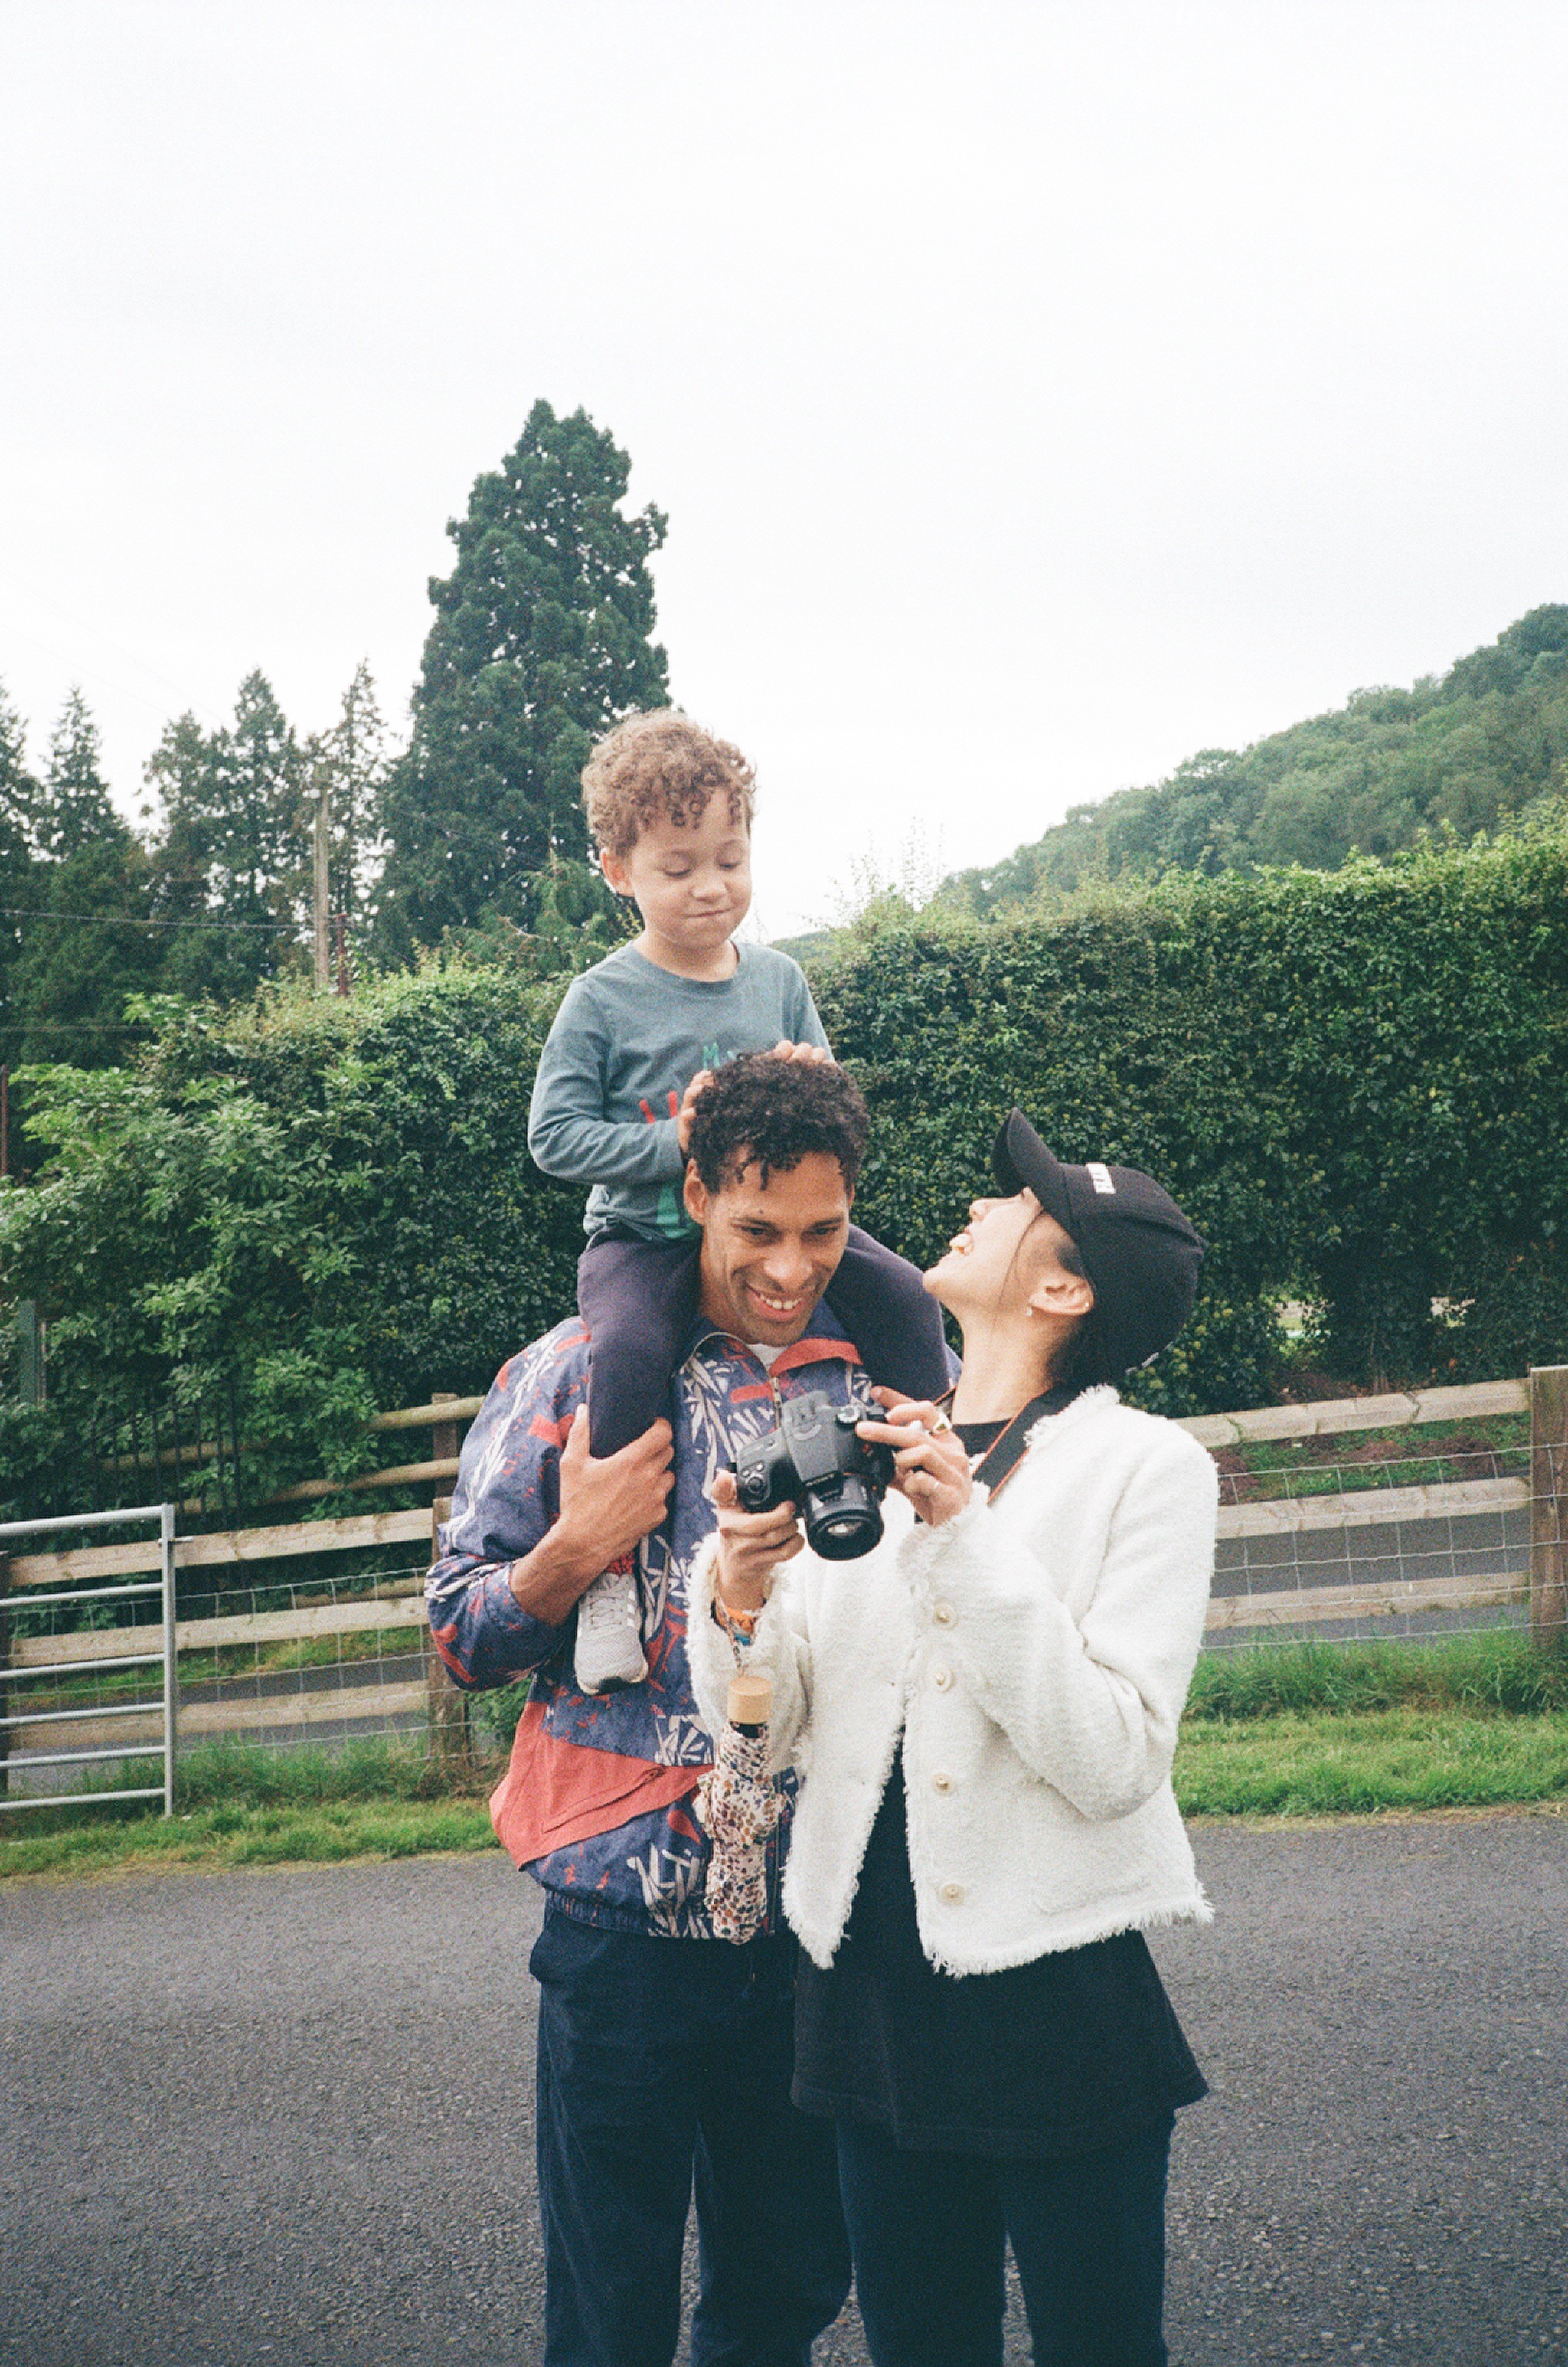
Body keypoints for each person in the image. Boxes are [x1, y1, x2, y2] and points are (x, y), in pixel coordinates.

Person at [426, 1053, 937, 2367]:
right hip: (622, 1923)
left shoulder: (887, 1385)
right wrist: (574, 1546)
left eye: (823, 1230)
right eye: (757, 1228)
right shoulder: (570, 1375)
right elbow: (460, 1636)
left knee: (785, 2292)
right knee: (610, 2311)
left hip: (815, 1917)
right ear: (697, 1193)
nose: (790, 1266)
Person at [688, 1110, 1220, 2367]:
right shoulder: (864, 1447)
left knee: (1101, 2348)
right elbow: (767, 1728)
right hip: (867, 1993)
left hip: (1054, 1992)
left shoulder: (1145, 1467)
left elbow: (1113, 1756)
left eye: (1020, 1201)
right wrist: (738, 1597)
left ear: (1063, 1287)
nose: (982, 1204)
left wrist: (964, 1535)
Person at [527, 708, 947, 1691]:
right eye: (678, 867)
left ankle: (943, 1499)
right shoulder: (600, 1000)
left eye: (729, 858)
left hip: (769, 1234)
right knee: (627, 1354)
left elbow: (828, 1106)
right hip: (641, 1237)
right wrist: (673, 1141)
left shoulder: (780, 979)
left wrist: (810, 1080)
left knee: (908, 1297)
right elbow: (554, 1138)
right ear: (618, 869)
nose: (711, 886)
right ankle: (608, 1580)